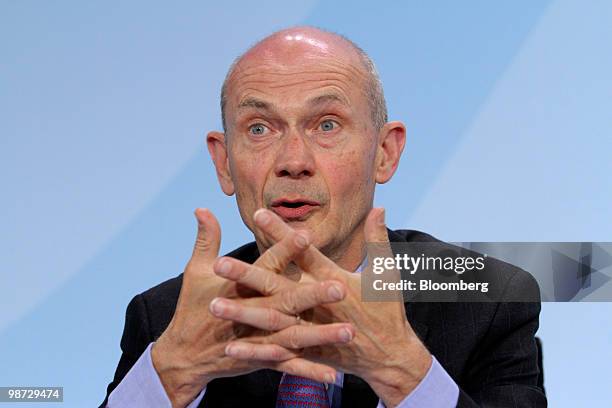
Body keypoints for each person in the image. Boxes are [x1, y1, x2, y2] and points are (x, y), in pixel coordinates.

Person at [100, 26, 546, 407]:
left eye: (327, 124)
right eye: (259, 129)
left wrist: (406, 374)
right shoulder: (166, 318)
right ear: (223, 163)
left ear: (385, 153)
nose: (294, 161)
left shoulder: (486, 299)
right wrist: (170, 375)